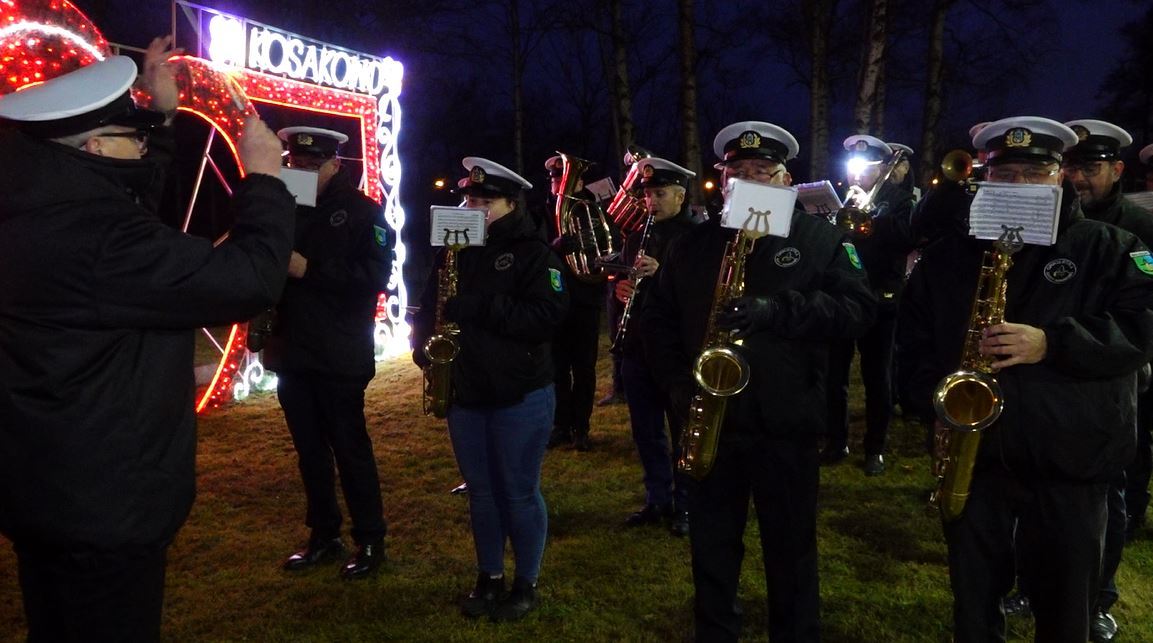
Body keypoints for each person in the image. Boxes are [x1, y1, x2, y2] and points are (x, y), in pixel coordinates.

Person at [0, 44, 294, 640]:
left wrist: (161, 121)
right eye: (128, 136)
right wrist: (263, 181)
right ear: (94, 147)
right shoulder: (99, 239)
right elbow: (247, 279)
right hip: (106, 503)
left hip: (49, 487)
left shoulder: (39, 204)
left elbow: (122, 208)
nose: (139, 146)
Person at [899, 116, 1153, 642]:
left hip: (1070, 459)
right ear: (984, 179)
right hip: (977, 456)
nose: (1017, 186)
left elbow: (1142, 329)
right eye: (1004, 173)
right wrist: (936, 404)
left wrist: (1053, 343)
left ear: (1058, 177)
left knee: (1065, 612)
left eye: (1033, 174)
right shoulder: (947, 256)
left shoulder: (1111, 247)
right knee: (973, 608)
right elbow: (915, 342)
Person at [642, 121, 875, 641]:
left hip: (784, 420)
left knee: (791, 548)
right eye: (736, 172)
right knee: (711, 546)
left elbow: (857, 309)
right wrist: (678, 384)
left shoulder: (820, 238)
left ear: (784, 179)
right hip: (711, 419)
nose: (747, 179)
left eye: (761, 172)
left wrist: (777, 311)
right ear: (722, 182)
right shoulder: (692, 245)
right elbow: (656, 320)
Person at [411, 157, 568, 621]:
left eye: (484, 202)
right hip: (467, 389)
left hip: (519, 390)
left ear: (510, 204)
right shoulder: (453, 247)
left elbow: (546, 317)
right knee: (481, 492)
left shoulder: (534, 252)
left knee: (518, 490)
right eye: (468, 200)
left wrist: (480, 306)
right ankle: (489, 575)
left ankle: (526, 582)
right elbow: (430, 302)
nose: (472, 208)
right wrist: (424, 345)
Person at [260, 126, 391, 580]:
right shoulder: (286, 207)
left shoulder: (362, 212)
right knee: (309, 452)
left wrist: (309, 269)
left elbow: (374, 277)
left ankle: (371, 539)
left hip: (338, 354)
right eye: (297, 164)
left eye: (314, 166)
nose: (303, 172)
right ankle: (324, 534)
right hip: (292, 350)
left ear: (336, 164)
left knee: (351, 449)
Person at [1062, 118, 1153, 643]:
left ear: (1116, 170)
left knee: (1109, 491)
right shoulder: (1048, 223)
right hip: (1056, 378)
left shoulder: (1140, 227)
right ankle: (1038, 581)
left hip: (1120, 376)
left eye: (1090, 168)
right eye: (1071, 166)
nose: (1078, 178)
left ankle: (1099, 596)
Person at [616, 156, 700, 536]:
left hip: (677, 349)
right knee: (646, 429)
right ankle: (657, 498)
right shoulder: (635, 236)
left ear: (681, 195)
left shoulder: (696, 236)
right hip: (638, 346)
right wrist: (620, 289)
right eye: (648, 194)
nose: (651, 201)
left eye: (660, 193)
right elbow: (626, 283)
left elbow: (696, 295)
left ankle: (686, 503)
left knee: (682, 427)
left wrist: (660, 271)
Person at [823, 135, 917, 475]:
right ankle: (836, 440)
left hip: (882, 297)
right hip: (842, 297)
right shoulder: (839, 199)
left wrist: (870, 215)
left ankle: (874, 448)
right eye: (853, 169)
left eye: (865, 169)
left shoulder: (900, 200)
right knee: (835, 375)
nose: (856, 176)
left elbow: (907, 239)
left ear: (882, 169)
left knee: (877, 376)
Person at [544, 154, 605, 451]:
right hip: (555, 300)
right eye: (556, 180)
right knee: (557, 368)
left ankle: (581, 426)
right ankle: (560, 424)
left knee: (584, 368)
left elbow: (610, 244)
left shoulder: (594, 209)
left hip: (586, 298)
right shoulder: (543, 210)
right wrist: (553, 248)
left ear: (579, 181)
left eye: (565, 178)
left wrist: (592, 251)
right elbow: (534, 252)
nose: (559, 184)